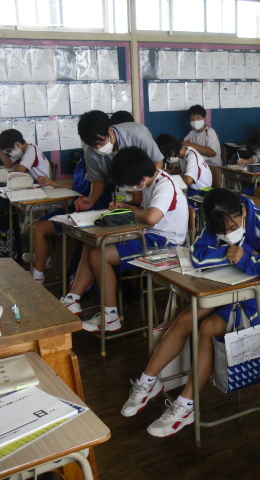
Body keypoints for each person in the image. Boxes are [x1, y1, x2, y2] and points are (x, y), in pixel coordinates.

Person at [120, 188, 260, 437]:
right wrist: (232, 256)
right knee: (186, 318)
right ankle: (147, 382)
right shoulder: (216, 218)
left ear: (243, 211)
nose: (227, 233)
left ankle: (186, 405)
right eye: (221, 232)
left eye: (232, 226)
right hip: (230, 288)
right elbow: (199, 257)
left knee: (209, 328)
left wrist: (249, 260)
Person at [60, 147, 188, 332]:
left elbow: (151, 217)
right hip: (148, 235)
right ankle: (72, 300)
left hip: (164, 244)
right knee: (91, 244)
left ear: (141, 179)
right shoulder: (151, 181)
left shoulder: (165, 186)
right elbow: (143, 206)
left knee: (99, 255)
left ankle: (111, 317)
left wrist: (131, 210)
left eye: (131, 184)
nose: (131, 187)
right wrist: (127, 204)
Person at [29, 155, 109, 284]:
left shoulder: (100, 162)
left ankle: (38, 275)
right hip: (76, 209)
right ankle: (43, 260)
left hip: (87, 215)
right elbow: (77, 186)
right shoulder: (84, 159)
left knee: (39, 228)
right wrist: (51, 183)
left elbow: (92, 190)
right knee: (37, 225)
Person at [76, 110, 163, 212]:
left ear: (110, 130)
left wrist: (143, 190)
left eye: (101, 143)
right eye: (93, 146)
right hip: (120, 194)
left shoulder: (138, 134)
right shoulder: (89, 151)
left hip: (145, 188)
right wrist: (91, 200)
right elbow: (98, 180)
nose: (98, 148)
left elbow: (157, 162)